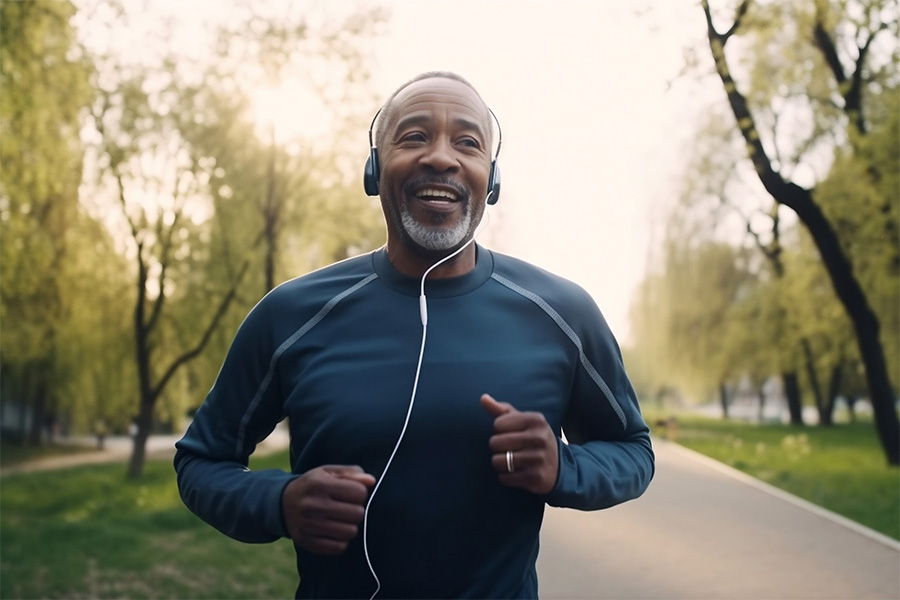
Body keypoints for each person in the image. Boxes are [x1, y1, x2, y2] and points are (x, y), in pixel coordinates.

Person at [174, 71, 654, 599]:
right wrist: (279, 503)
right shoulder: (291, 314)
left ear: (490, 179)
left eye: (467, 143)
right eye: (415, 136)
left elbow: (633, 450)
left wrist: (564, 467)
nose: (442, 158)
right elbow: (201, 461)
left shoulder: (563, 312)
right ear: (375, 168)